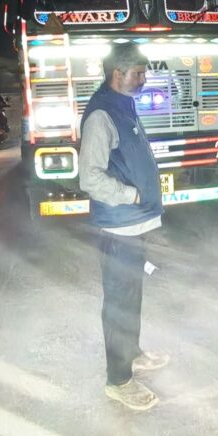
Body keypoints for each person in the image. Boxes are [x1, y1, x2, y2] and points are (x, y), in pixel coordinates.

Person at [79, 42, 168, 412]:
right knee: (119, 303)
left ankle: (130, 353)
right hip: (119, 227)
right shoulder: (102, 114)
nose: (144, 79)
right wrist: (131, 195)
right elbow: (90, 177)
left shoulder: (123, 104)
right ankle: (118, 381)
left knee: (131, 296)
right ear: (118, 74)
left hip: (134, 223)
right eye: (138, 73)